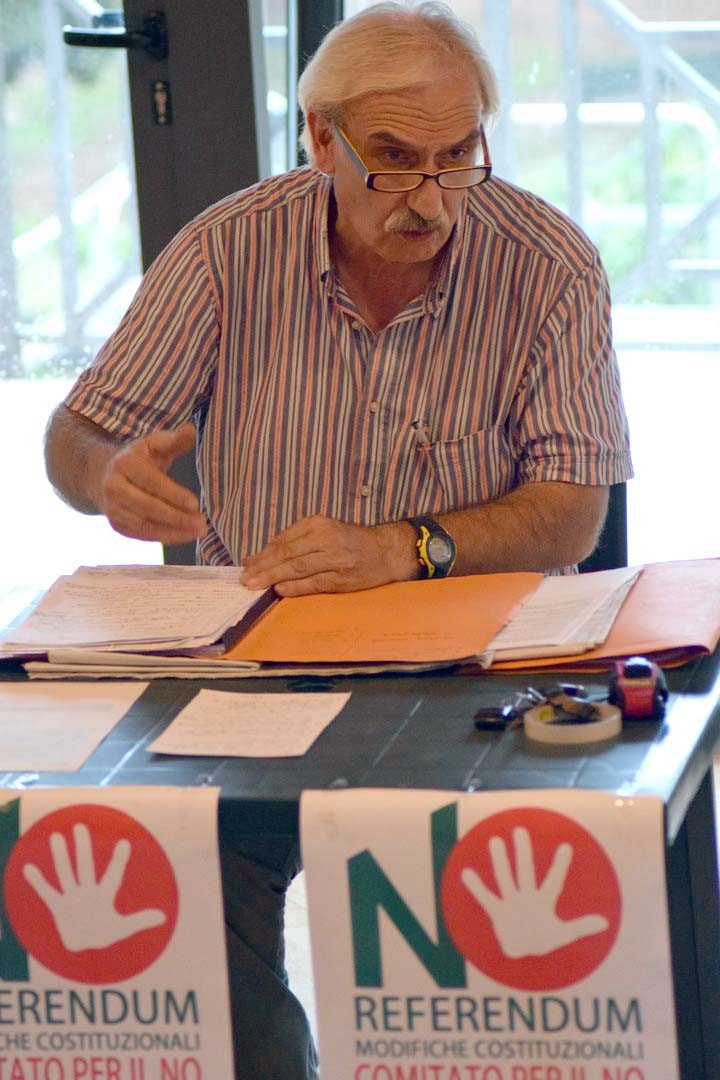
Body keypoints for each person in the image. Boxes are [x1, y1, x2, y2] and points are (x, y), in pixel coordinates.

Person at [44, 3, 632, 1075]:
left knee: (497, 903)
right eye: (396, 160)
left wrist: (408, 547)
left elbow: (574, 505)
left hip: (473, 666)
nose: (432, 199)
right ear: (322, 140)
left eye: (458, 157)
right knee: (176, 875)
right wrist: (105, 476)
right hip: (260, 658)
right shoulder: (228, 249)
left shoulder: (546, 263)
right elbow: (76, 435)